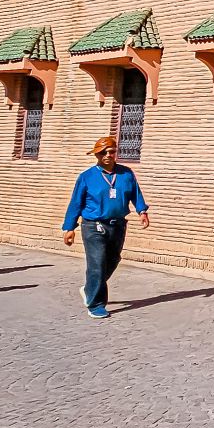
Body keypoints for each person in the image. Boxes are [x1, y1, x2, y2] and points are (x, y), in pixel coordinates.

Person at [62, 136, 150, 318]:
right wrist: (69, 228)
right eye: (104, 152)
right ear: (97, 155)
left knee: (113, 259)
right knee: (97, 264)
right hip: (93, 226)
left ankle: (90, 288)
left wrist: (142, 211)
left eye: (111, 151)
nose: (108, 155)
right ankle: (96, 304)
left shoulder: (126, 174)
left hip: (118, 225)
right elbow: (76, 203)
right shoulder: (87, 177)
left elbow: (136, 194)